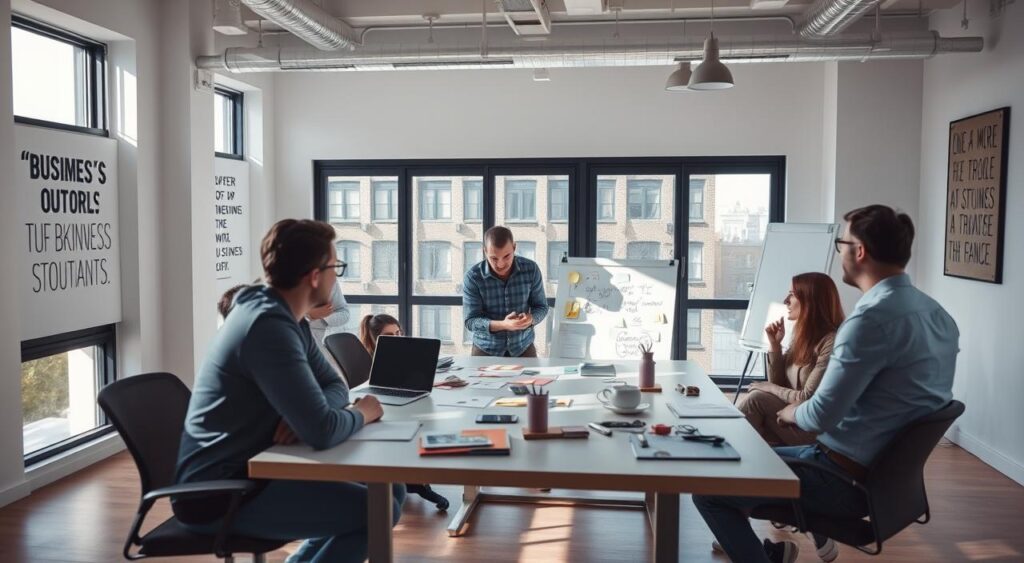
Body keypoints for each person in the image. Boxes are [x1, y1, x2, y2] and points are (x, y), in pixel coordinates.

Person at [694, 205, 959, 563]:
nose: (839, 251)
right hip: (880, 480)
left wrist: (788, 410)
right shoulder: (939, 316)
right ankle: (769, 552)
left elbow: (818, 416)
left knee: (708, 489)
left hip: (839, 478)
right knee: (735, 462)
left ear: (859, 251)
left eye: (840, 243)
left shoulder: (868, 322)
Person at [174, 219, 404, 563]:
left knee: (390, 488)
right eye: (335, 267)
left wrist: (307, 418)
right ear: (314, 275)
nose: (336, 276)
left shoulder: (283, 315)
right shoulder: (268, 327)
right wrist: (362, 412)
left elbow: (333, 386)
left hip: (261, 465)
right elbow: (323, 431)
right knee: (377, 509)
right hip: (222, 492)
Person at [738, 272, 844, 446]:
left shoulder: (830, 341)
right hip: (790, 416)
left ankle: (721, 447)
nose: (785, 300)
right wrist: (775, 346)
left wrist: (770, 388)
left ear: (810, 301)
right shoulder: (802, 336)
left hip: (810, 429)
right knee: (758, 410)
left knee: (757, 399)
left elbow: (806, 397)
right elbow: (780, 383)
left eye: (792, 295)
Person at [463, 226, 549, 357]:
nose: (501, 264)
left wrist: (531, 319)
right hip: (485, 350)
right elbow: (471, 321)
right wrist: (503, 325)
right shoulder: (473, 277)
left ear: (514, 247)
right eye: (494, 258)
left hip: (523, 348)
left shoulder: (531, 270)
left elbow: (541, 307)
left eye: (507, 256)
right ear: (485, 251)